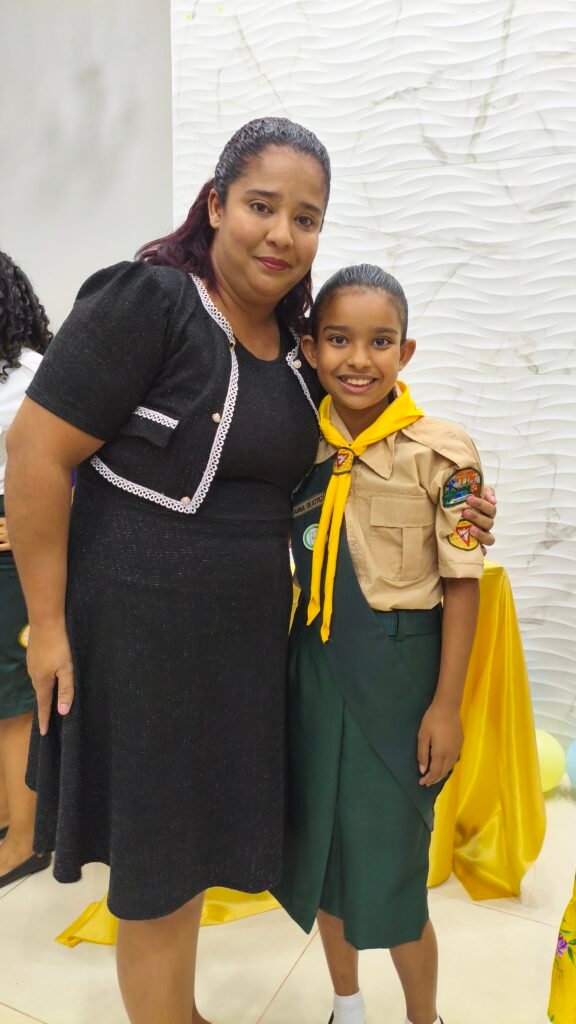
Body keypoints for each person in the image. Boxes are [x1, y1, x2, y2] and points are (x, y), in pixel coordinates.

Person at [5, 119, 497, 1024]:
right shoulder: (152, 299)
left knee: (192, 850)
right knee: (157, 867)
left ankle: (182, 1012)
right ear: (215, 204)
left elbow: (369, 449)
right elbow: (34, 453)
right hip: (139, 641)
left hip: (241, 651)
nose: (281, 234)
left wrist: (457, 499)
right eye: (261, 206)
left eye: (305, 218)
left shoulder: (298, 351)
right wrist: (49, 625)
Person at [273, 264, 487, 1024]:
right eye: (338, 340)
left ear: (406, 350)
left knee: (392, 873)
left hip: (399, 674)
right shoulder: (293, 443)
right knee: (324, 861)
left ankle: (424, 1016)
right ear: (310, 349)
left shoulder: (444, 452)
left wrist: (446, 706)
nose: (358, 359)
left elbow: (463, 582)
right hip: (313, 669)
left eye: (380, 341)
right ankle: (348, 1005)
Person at [0, 252, 52, 886]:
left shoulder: (33, 375)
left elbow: (73, 467)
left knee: (12, 696)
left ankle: (26, 840)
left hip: (13, 555)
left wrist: (26, 521)